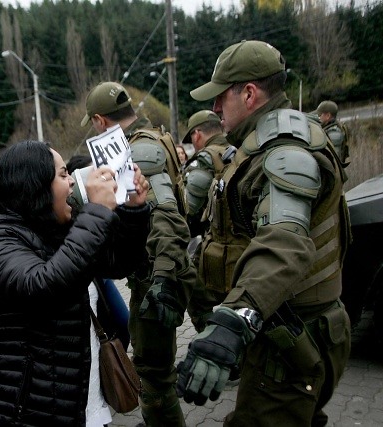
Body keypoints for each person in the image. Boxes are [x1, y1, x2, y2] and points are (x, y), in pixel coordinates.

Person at [176, 40, 351, 426]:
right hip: (295, 329)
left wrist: (233, 319)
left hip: (291, 341)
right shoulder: (264, 142)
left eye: (221, 98)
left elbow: (284, 241)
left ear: (250, 94)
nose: (215, 109)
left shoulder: (283, 151)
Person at [0, 140, 150, 427]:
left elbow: (118, 264)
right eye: (62, 174)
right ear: (34, 184)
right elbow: (43, 287)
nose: (73, 182)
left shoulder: (56, 228)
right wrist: (96, 213)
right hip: (29, 411)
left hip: (80, 397)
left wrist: (134, 212)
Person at [82, 81, 196, 426]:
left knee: (153, 375)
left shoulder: (138, 151)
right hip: (161, 264)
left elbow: (165, 216)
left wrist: (162, 277)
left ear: (101, 121)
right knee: (156, 370)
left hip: (155, 271)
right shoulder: (155, 136)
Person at [66, 154, 131, 350]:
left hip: (100, 275)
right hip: (91, 278)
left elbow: (121, 263)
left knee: (123, 325)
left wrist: (136, 211)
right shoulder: (73, 211)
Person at [180, 110, 232, 332]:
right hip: (244, 239)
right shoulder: (236, 150)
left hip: (217, 244)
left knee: (196, 295)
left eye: (192, 136)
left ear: (198, 134)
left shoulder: (205, 159)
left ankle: (211, 340)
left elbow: (189, 208)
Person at [312, 100, 350, 166]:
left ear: (328, 116)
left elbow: (332, 160)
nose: (317, 117)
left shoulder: (334, 134)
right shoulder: (328, 128)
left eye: (319, 115)